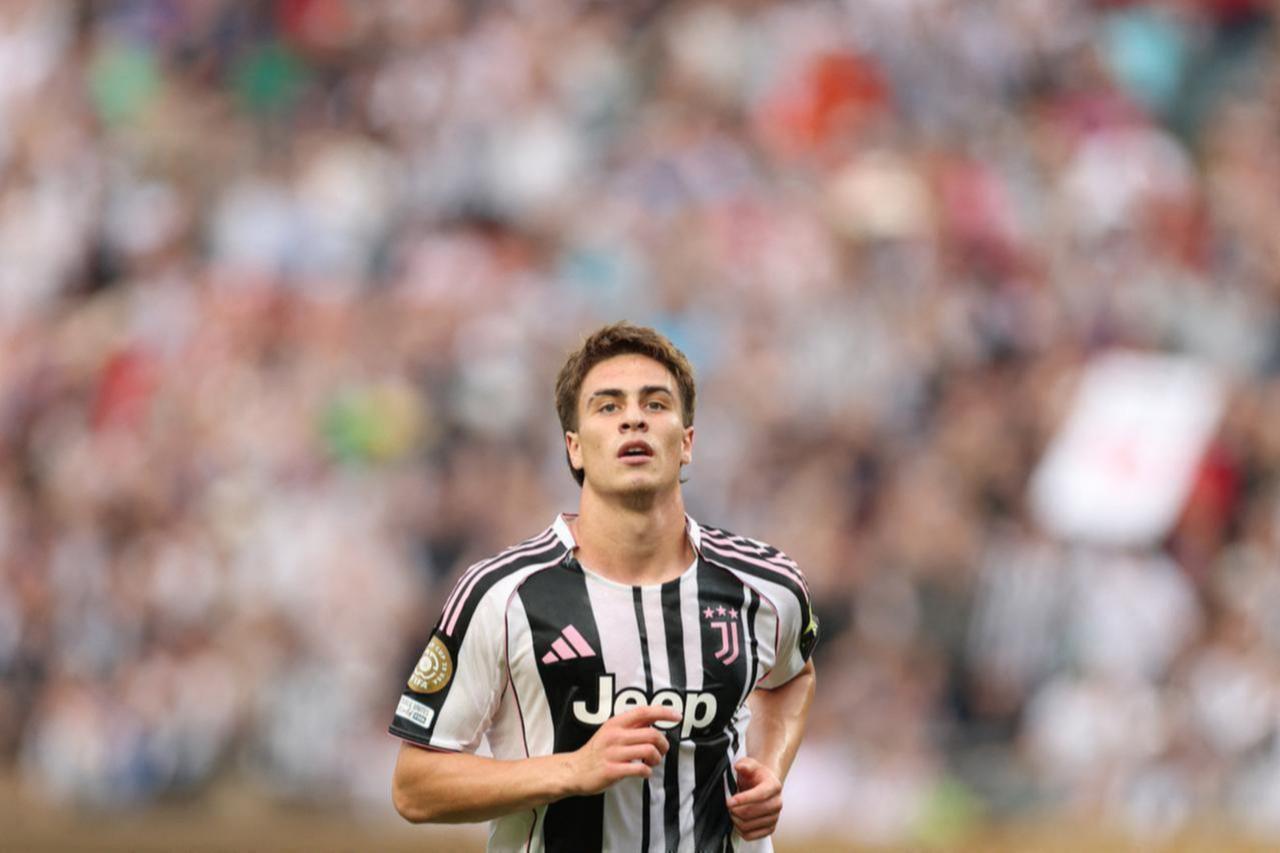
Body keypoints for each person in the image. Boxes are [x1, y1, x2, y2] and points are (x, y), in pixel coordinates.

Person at [390, 322, 818, 852]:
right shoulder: (502, 595)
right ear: (575, 448)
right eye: (608, 406)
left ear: (686, 443)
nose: (633, 417)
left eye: (656, 404)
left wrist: (769, 769)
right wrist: (572, 769)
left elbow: (793, 675)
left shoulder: (765, 585)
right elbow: (414, 786)